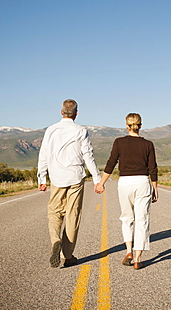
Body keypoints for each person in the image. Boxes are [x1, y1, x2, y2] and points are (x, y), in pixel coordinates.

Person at [37, 99, 101, 268]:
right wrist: (96, 179)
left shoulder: (51, 130)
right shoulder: (81, 130)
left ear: (61, 112)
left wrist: (42, 178)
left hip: (57, 177)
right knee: (73, 216)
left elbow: (44, 154)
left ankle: (55, 240)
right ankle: (68, 255)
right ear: (76, 113)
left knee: (54, 212)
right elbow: (88, 155)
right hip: (75, 177)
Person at [95, 113, 158, 269]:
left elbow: (111, 163)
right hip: (142, 182)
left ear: (126, 125)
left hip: (125, 183)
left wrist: (101, 183)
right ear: (140, 126)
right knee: (142, 220)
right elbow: (153, 168)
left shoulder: (119, 142)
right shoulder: (148, 144)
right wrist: (155, 188)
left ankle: (129, 251)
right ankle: (137, 259)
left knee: (126, 218)